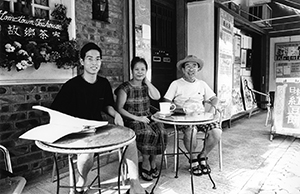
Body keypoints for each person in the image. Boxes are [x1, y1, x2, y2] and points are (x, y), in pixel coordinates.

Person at [51, 42, 148, 194]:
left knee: (130, 139)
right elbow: (56, 113)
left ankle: (135, 184)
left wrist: (116, 114)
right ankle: (82, 181)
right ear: (82, 61)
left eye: (97, 59)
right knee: (87, 151)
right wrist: (73, 126)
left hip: (98, 128)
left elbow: (107, 105)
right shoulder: (71, 86)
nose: (94, 63)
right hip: (78, 132)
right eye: (90, 59)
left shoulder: (103, 83)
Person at [163, 55, 222, 176]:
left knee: (217, 132)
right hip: (183, 119)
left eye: (194, 66)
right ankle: (193, 159)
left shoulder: (202, 84)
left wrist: (211, 110)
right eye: (188, 66)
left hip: (202, 118)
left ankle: (203, 155)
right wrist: (179, 109)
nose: (191, 69)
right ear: (183, 69)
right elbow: (166, 102)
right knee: (191, 132)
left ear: (198, 69)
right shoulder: (176, 84)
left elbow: (215, 99)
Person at [115, 57, 168, 181]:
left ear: (146, 71)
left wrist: (147, 82)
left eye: (143, 69)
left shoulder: (146, 86)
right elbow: (119, 108)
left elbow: (157, 96)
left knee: (161, 131)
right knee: (147, 133)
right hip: (131, 119)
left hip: (147, 117)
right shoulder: (125, 88)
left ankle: (153, 161)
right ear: (132, 70)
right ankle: (145, 162)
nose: (139, 72)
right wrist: (138, 118)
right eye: (137, 69)